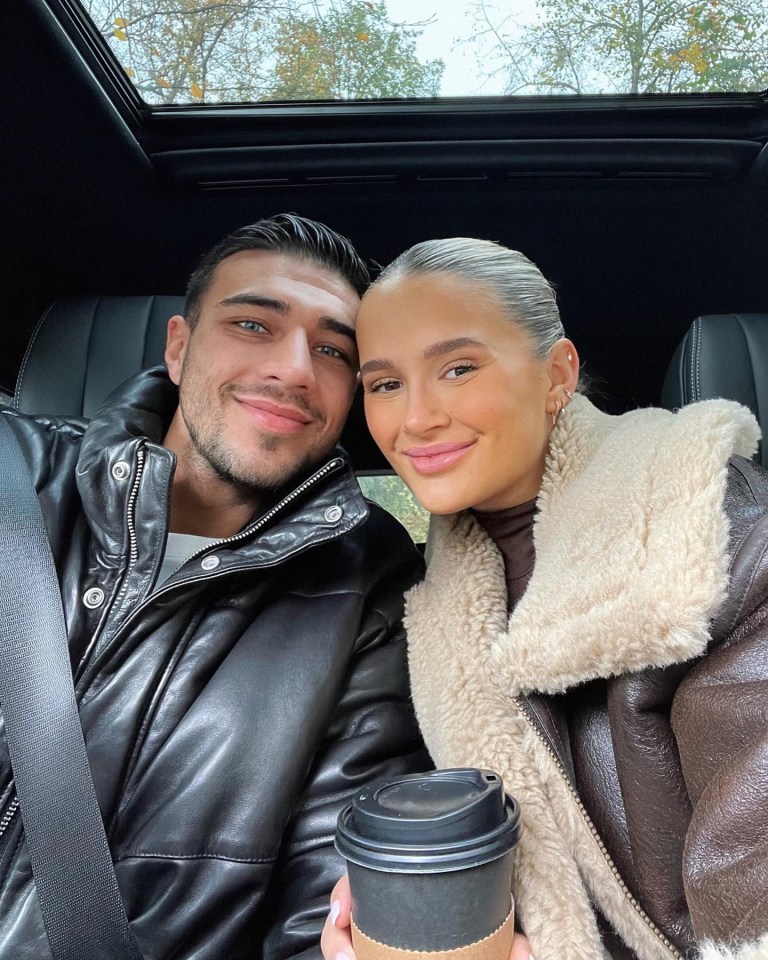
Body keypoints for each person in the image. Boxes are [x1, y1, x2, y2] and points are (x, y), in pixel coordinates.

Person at [323, 237, 768, 960]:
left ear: (558, 374)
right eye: (384, 384)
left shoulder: (714, 529)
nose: (416, 419)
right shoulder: (441, 600)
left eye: (458, 368)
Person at [0, 214, 430, 960]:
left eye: (333, 349)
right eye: (254, 324)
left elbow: (327, 902)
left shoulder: (367, 587)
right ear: (179, 346)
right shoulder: (11, 474)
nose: (297, 368)